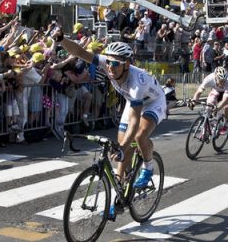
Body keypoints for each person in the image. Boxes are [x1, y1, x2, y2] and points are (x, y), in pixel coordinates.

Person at [52, 28, 166, 220]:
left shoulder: (137, 82)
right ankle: (119, 198)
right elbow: (80, 52)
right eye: (109, 62)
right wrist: (62, 40)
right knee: (122, 154)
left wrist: (123, 146)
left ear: (127, 65)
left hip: (153, 102)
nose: (110, 67)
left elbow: (135, 120)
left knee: (138, 136)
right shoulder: (107, 63)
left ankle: (147, 167)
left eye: (116, 64)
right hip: (132, 101)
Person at [190, 66, 228, 133]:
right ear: (215, 78)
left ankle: (227, 123)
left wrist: (217, 108)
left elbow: (225, 99)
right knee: (210, 103)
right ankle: (209, 123)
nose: (222, 83)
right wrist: (193, 102)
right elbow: (199, 92)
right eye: (220, 81)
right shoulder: (209, 79)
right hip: (217, 90)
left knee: (226, 107)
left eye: (224, 81)